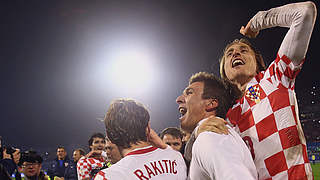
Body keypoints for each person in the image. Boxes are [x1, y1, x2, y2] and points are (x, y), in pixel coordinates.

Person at [201, 1, 317, 179]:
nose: (236, 54)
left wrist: (257, 22)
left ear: (258, 62)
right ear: (224, 71)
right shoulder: (228, 118)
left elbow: (305, 12)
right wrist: (200, 131)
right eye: (229, 53)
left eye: (243, 50)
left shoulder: (276, 77)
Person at [176, 72, 257, 179]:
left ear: (211, 104)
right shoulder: (206, 135)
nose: (179, 99)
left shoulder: (211, 135)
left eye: (189, 93)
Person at [95, 99, 187, 180]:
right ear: (148, 128)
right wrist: (164, 146)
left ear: (109, 136)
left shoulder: (108, 176)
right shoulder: (176, 157)